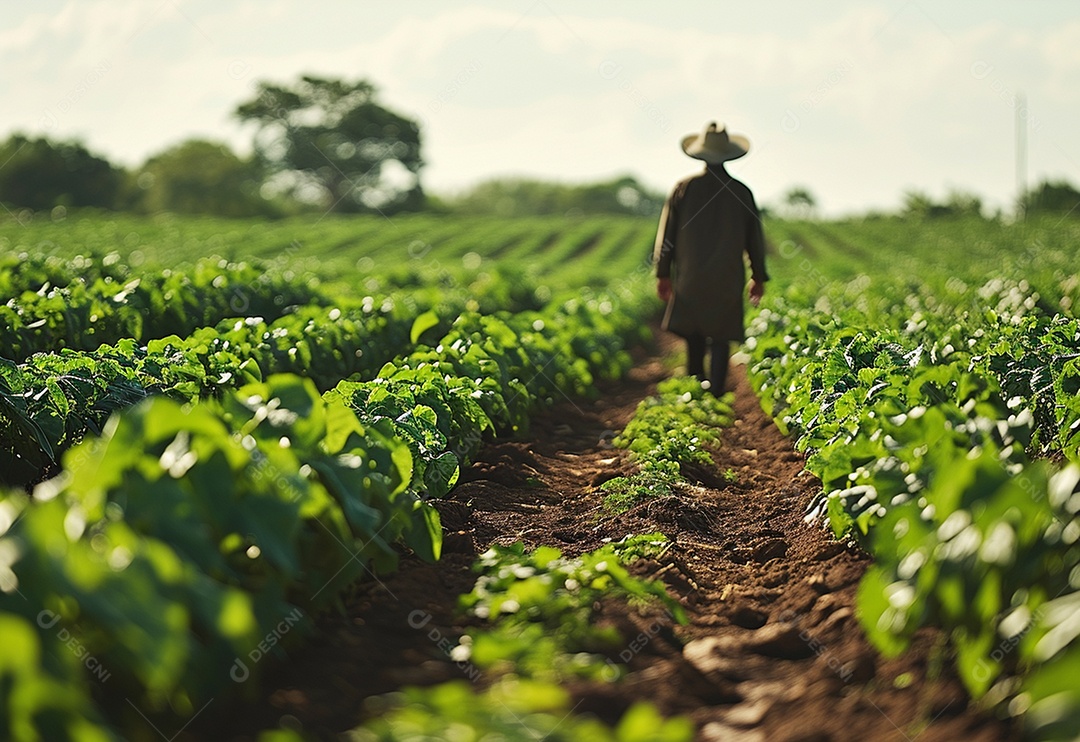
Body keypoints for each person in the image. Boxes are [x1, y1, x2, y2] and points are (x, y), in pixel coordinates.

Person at [653, 121, 768, 394]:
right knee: (720, 334)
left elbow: (666, 235)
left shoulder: (684, 188)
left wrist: (663, 273)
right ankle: (716, 389)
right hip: (727, 276)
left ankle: (696, 386)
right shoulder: (742, 193)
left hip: (691, 275)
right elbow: (755, 241)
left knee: (693, 333)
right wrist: (758, 276)